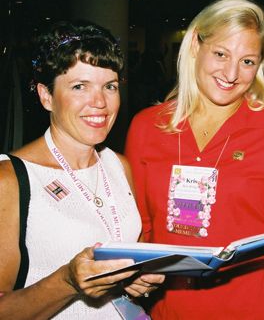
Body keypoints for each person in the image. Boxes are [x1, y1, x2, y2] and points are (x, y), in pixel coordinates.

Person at [125, 0, 264, 320]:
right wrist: (134, 272)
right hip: (166, 312)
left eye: (247, 61)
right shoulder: (147, 127)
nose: (231, 73)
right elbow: (140, 231)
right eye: (220, 54)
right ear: (196, 45)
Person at [0, 21, 164, 319]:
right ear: (45, 96)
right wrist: (67, 281)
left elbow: (127, 250)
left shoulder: (118, 165)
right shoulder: (10, 179)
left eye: (109, 86)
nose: (100, 102)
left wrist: (136, 278)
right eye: (79, 86)